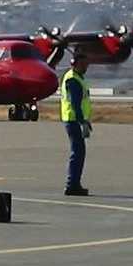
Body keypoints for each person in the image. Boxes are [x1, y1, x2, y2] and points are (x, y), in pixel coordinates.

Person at [61, 50, 93, 196]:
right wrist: (82, 122)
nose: (87, 66)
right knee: (78, 152)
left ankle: (74, 183)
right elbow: (75, 103)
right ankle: (72, 185)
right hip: (73, 121)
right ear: (78, 63)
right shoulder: (73, 80)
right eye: (85, 63)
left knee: (79, 152)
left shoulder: (76, 77)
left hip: (74, 120)